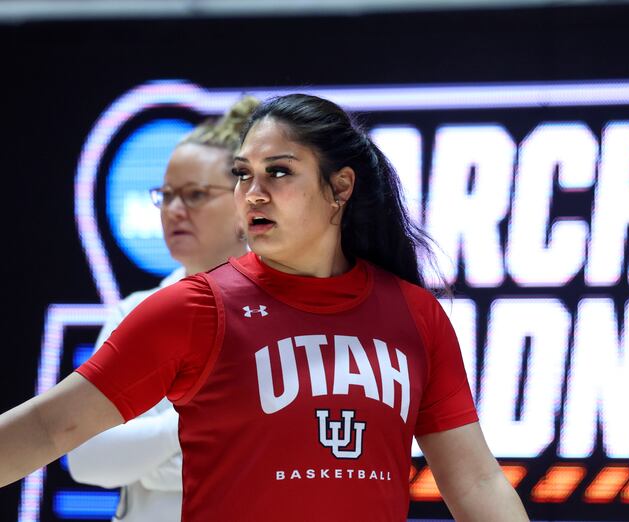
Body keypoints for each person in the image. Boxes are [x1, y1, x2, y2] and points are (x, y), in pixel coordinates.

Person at [0, 94, 529, 521]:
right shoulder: (192, 308)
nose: (253, 193)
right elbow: (52, 429)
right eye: (241, 173)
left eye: (278, 172)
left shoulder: (416, 315)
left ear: (340, 186)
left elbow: (477, 481)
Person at [65, 96, 258, 521]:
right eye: (166, 195)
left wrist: (151, 456)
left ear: (247, 202)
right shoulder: (134, 313)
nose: (173, 211)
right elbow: (86, 458)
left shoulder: (286, 318)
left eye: (194, 195)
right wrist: (192, 425)